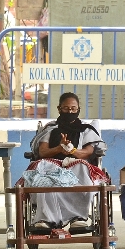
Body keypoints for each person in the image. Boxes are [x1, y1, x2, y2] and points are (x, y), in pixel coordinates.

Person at [18, 92, 109, 231]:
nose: (70, 111)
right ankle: (45, 218)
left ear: (78, 109)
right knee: (41, 169)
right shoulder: (50, 129)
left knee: (82, 168)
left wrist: (72, 151)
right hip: (52, 163)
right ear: (59, 109)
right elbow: (42, 152)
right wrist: (60, 148)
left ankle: (79, 217)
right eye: (66, 108)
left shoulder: (86, 130)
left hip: (75, 162)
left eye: (73, 108)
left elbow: (89, 152)